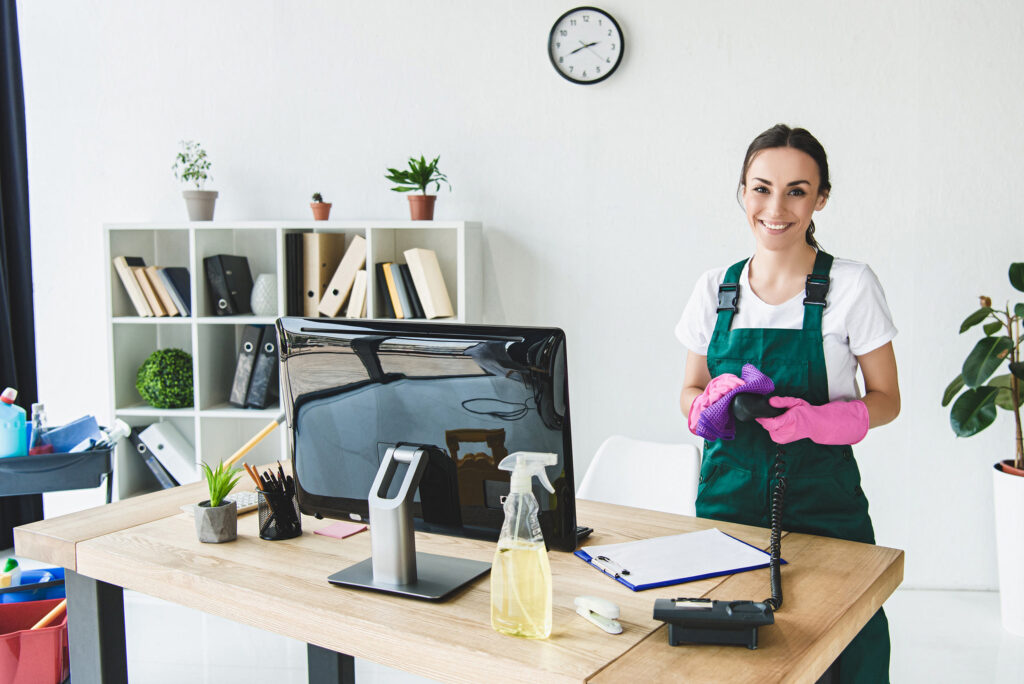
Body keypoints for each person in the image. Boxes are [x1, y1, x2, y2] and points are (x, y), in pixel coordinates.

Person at [676, 124, 900, 682]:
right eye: (761, 188)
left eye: (797, 190)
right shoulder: (715, 289)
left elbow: (888, 399)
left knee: (845, 640)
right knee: (728, 649)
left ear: (821, 198)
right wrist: (707, 407)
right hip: (728, 499)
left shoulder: (850, 285)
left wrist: (822, 419)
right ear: (742, 192)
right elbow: (687, 390)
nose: (776, 207)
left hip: (825, 500)